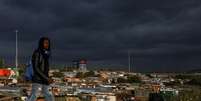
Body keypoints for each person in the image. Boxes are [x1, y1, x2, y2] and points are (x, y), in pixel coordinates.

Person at [27, 37, 55, 101]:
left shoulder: (46, 54)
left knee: (48, 94)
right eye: (45, 43)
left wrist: (47, 77)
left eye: (48, 43)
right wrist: (47, 78)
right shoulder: (37, 53)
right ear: (41, 43)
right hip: (38, 79)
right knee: (34, 95)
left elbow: (45, 68)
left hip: (44, 79)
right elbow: (36, 68)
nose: (47, 44)